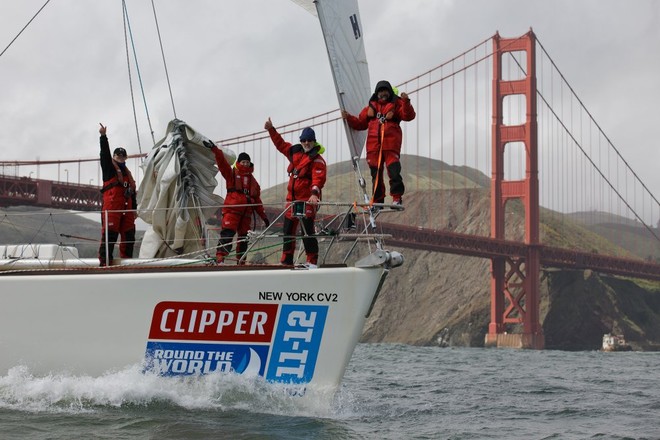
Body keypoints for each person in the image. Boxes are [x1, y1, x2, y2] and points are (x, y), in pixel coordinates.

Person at [341, 80, 416, 206]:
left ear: (390, 92)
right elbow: (360, 124)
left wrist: (406, 102)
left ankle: (397, 198)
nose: (383, 93)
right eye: (380, 91)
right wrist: (348, 117)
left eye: (385, 91)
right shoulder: (370, 108)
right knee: (376, 177)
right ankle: (377, 201)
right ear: (377, 93)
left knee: (394, 172)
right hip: (373, 148)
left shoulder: (397, 104)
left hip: (391, 146)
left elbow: (409, 116)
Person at [264, 118, 327, 267]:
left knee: (307, 231)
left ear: (314, 142)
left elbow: (318, 178)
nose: (306, 143)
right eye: (304, 140)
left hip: (307, 201)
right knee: (287, 231)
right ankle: (286, 260)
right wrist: (271, 130)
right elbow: (280, 144)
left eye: (309, 140)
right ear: (301, 141)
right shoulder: (294, 152)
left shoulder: (318, 160)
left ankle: (312, 261)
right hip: (292, 201)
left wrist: (314, 194)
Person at [203, 141, 269, 264]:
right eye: (243, 162)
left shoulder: (254, 183)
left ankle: (241, 262)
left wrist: (264, 216)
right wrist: (215, 150)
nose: (245, 164)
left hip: (246, 215)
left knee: (244, 239)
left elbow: (258, 201)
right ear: (239, 163)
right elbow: (222, 164)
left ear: (250, 163)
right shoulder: (231, 174)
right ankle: (220, 258)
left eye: (247, 162)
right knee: (227, 234)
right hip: (232, 211)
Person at [98, 123, 137, 266]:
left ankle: (127, 263)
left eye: (123, 156)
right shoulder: (108, 169)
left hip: (127, 210)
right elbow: (104, 155)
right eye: (118, 155)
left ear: (125, 158)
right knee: (110, 236)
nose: (120, 157)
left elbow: (132, 192)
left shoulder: (128, 174)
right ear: (114, 156)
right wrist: (103, 136)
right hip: (112, 209)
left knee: (129, 237)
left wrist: (135, 209)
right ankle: (104, 264)